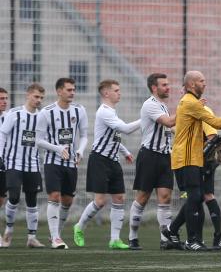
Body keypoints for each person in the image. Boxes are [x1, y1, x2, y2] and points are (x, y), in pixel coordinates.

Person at [163, 71, 221, 251]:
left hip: (191, 157)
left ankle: (184, 235)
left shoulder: (191, 103)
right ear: (192, 85)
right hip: (186, 158)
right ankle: (191, 240)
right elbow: (217, 124)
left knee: (195, 198)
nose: (205, 84)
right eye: (202, 81)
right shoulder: (190, 102)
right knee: (195, 197)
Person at [73, 80, 141, 249]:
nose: (120, 93)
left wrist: (125, 152)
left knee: (119, 198)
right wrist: (145, 119)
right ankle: (79, 227)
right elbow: (125, 129)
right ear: (106, 94)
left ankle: (114, 239)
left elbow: (113, 137)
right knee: (100, 201)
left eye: (119, 90)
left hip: (113, 160)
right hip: (100, 160)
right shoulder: (104, 112)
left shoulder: (112, 112)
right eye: (116, 90)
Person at [37, 78, 89, 249]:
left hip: (71, 163)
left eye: (73, 89)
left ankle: (57, 234)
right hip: (52, 162)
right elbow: (38, 140)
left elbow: (84, 135)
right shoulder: (46, 112)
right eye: (68, 90)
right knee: (54, 196)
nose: (72, 92)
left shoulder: (79, 110)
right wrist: (57, 149)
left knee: (67, 201)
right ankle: (55, 238)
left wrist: (80, 150)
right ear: (59, 91)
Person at [130, 73, 177, 250]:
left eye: (168, 84)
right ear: (154, 88)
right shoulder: (149, 104)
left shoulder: (163, 105)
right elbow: (168, 122)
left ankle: (165, 240)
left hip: (165, 157)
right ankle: (132, 237)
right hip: (149, 156)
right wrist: (187, 106)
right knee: (142, 198)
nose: (168, 87)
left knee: (165, 197)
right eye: (164, 85)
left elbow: (170, 129)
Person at [0, 83, 46, 248]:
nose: (38, 100)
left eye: (41, 98)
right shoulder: (14, 114)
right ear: (28, 95)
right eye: (36, 97)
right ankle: (9, 230)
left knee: (32, 200)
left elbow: (41, 140)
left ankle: (31, 237)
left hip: (32, 165)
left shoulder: (42, 116)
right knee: (13, 196)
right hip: (13, 162)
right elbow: (3, 135)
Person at [0, 88, 9, 219]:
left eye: (6, 98)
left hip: (4, 162)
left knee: (1, 199)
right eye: (1, 99)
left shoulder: (8, 117)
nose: (5, 101)